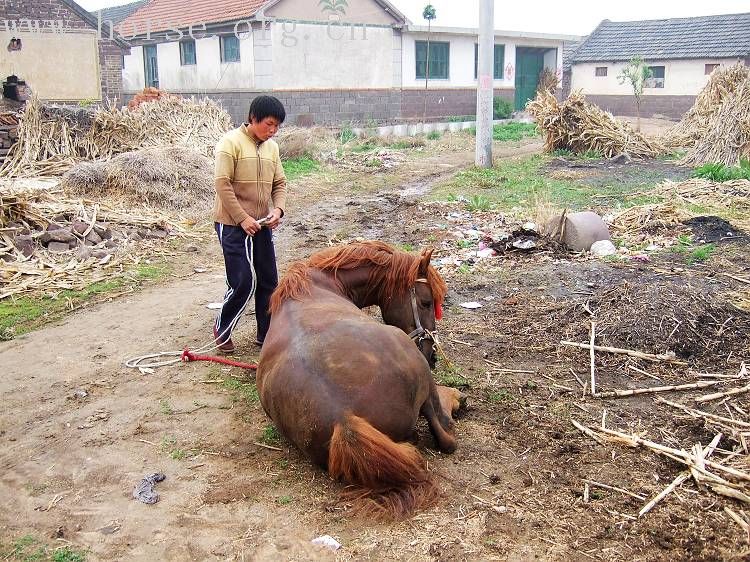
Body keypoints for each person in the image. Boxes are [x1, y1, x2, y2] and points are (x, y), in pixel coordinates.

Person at [212, 95, 287, 353]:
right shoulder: (230, 143)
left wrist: (277, 209)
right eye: (269, 124)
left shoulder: (272, 149)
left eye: (277, 126)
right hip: (232, 224)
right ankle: (222, 329)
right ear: (253, 118)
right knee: (243, 281)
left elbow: (279, 184)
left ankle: (266, 335)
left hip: (262, 225)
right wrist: (242, 218)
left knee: (269, 280)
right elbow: (222, 184)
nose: (273, 130)